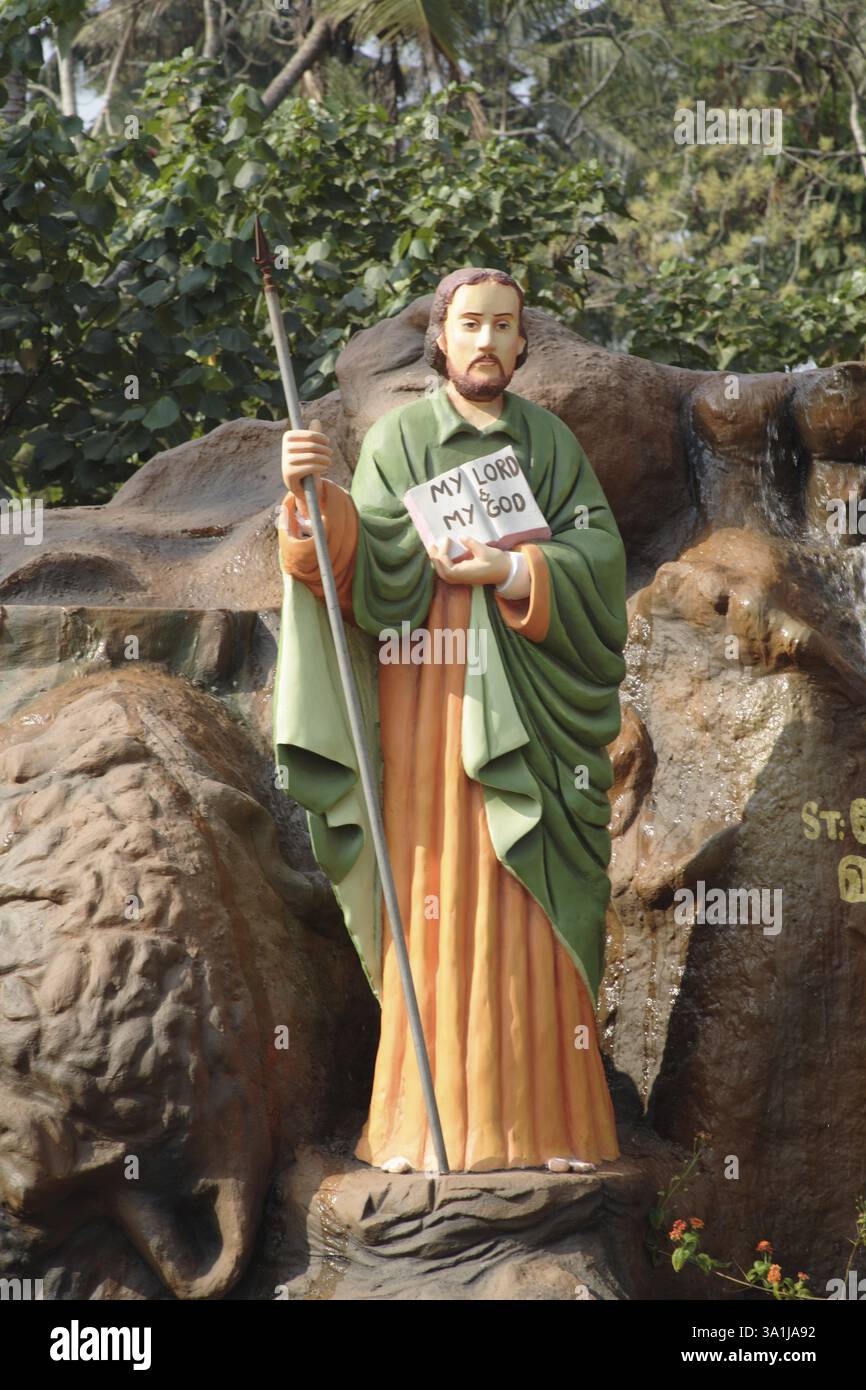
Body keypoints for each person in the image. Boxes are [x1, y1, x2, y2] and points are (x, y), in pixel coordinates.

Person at [273, 266, 628, 1174]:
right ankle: (419, 1129)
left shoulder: (550, 446)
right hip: (432, 714)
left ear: (520, 345)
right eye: (468, 323)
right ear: (441, 338)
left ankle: (552, 1129)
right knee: (435, 907)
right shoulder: (400, 439)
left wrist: (510, 574)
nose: (484, 340)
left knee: (535, 899)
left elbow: (597, 561)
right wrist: (313, 508)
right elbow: (370, 563)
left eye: (503, 326)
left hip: (536, 730)